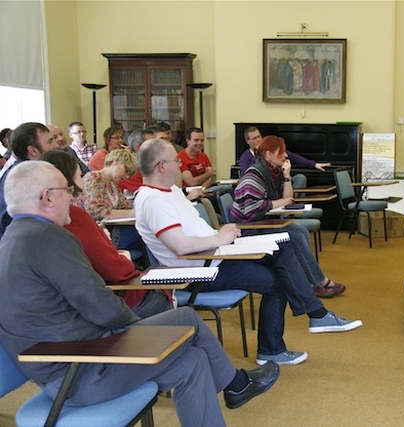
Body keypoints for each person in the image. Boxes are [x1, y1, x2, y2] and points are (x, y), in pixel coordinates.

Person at [0, 160, 279, 426]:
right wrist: (142, 329)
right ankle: (237, 385)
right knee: (186, 319)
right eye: (67, 190)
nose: (73, 198)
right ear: (47, 197)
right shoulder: (48, 238)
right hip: (80, 371)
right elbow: (100, 305)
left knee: (192, 362)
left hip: (71, 365)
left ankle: (236, 387)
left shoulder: (15, 237)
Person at [135, 138, 362, 365]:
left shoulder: (170, 191)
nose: (180, 165)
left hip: (216, 255)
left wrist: (220, 235)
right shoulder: (151, 200)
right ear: (162, 166)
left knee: (284, 244)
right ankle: (280, 343)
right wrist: (219, 237)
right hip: (198, 271)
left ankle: (315, 317)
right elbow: (180, 246)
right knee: (278, 280)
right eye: (176, 161)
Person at [40, 149, 172, 318]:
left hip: (76, 307)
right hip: (100, 303)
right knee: (149, 237)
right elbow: (101, 213)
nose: (82, 181)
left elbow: (124, 207)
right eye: (79, 176)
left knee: (146, 233)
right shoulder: (77, 210)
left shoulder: (31, 226)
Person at [231, 135, 345, 298]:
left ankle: (312, 281)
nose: (286, 156)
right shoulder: (254, 175)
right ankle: (319, 283)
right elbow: (251, 210)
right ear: (269, 155)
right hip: (247, 229)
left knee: (301, 232)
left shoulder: (272, 172)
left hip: (262, 222)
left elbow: (288, 200)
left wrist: (287, 176)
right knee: (295, 237)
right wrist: (278, 202)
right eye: (282, 152)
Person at [0, 122, 58, 240]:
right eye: (50, 141)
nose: (56, 146)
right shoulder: (25, 178)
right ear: (33, 151)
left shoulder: (24, 171)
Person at [81, 149, 140, 252]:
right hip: (97, 234)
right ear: (115, 161)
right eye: (126, 170)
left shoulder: (113, 186)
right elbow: (98, 212)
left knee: (145, 231)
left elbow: (126, 206)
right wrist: (134, 213)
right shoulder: (93, 179)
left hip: (110, 230)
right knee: (145, 232)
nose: (126, 177)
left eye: (129, 175)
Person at [239, 126, 331, 189]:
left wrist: (314, 164)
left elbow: (295, 157)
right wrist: (258, 153)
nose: (258, 140)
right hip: (265, 186)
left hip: (280, 181)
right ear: (247, 141)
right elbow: (248, 175)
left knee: (300, 177)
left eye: (259, 136)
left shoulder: (273, 149)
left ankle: (296, 205)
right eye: (254, 138)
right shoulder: (245, 157)